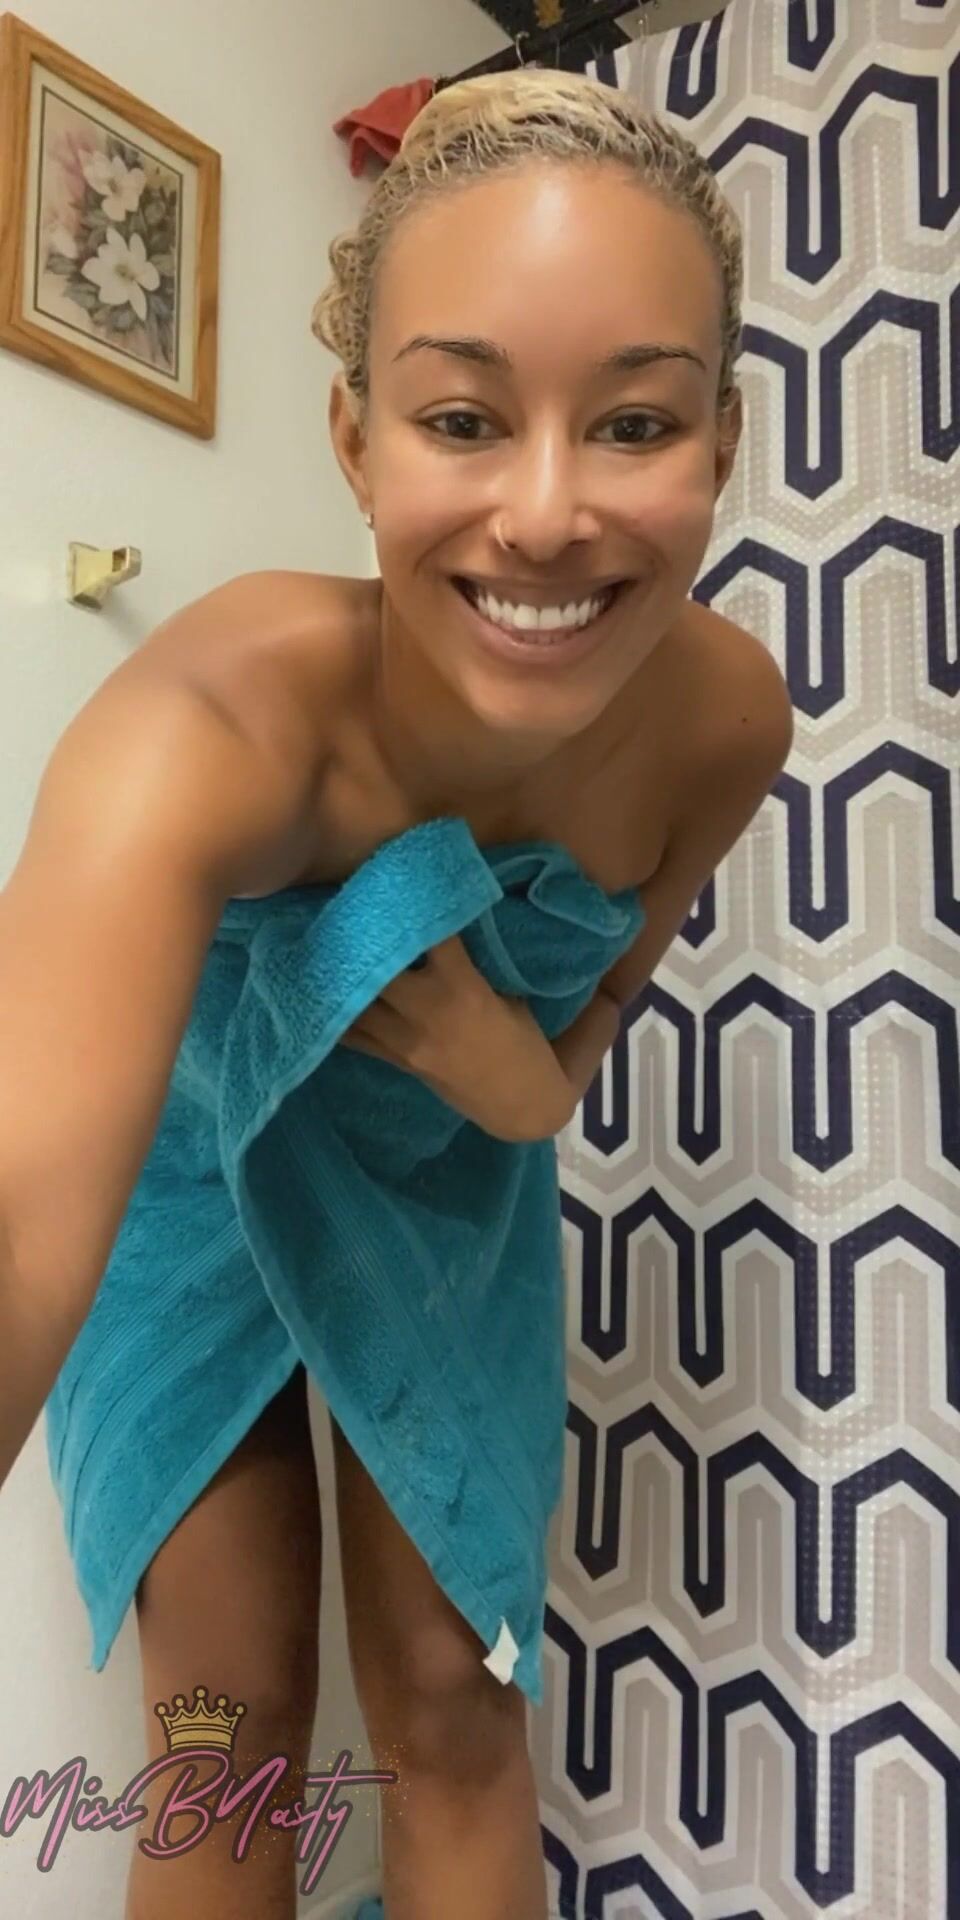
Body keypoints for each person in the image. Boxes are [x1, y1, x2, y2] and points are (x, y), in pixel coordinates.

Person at [0, 69, 792, 1920]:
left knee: (452, 1699)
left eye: (634, 423)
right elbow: (24, 1205)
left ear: (723, 441)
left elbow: (596, 1023)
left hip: (447, 1169)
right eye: (461, 416)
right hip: (193, 1172)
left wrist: (520, 1081)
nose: (546, 514)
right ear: (357, 440)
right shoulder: (212, 724)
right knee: (225, 1732)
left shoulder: (729, 722)